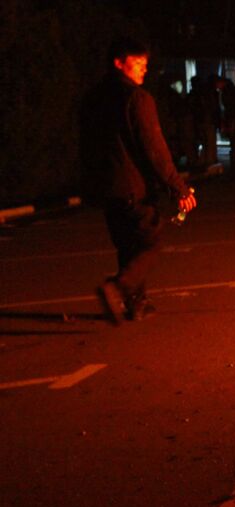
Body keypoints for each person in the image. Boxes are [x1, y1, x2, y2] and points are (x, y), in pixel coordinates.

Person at [79, 36, 197, 323]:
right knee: (150, 241)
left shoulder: (93, 98)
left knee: (127, 244)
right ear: (119, 63)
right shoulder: (137, 99)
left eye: (146, 64)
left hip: (106, 186)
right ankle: (119, 288)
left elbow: (85, 144)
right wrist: (178, 187)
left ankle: (135, 303)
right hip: (134, 186)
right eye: (138, 63)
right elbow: (153, 148)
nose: (144, 69)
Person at [191, 73, 221, 170]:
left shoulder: (197, 93)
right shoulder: (209, 93)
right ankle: (209, 160)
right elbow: (213, 107)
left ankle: (206, 160)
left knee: (206, 141)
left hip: (203, 120)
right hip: (207, 120)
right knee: (209, 140)